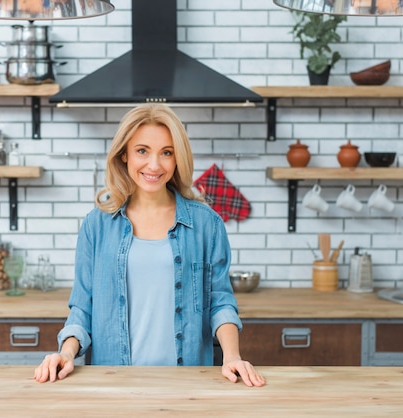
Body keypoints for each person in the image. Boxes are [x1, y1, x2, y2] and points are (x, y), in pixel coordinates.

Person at [33, 104, 266, 387]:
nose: (154, 165)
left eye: (166, 153)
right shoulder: (97, 225)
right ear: (124, 155)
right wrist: (66, 353)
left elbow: (220, 301)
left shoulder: (207, 224)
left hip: (188, 384)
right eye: (142, 151)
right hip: (115, 384)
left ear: (177, 158)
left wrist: (232, 356)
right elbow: (83, 306)